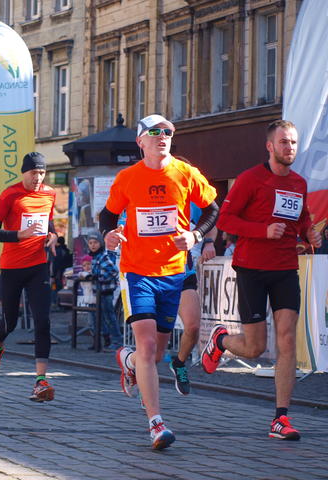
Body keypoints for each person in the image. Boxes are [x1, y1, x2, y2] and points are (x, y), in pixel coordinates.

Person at [99, 114, 218, 450]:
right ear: (141, 141)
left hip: (174, 273)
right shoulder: (128, 178)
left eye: (168, 131)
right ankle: (156, 423)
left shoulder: (185, 172)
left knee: (155, 353)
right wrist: (108, 234)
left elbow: (213, 209)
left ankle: (128, 360)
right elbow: (108, 214)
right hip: (137, 272)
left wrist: (195, 235)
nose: (162, 136)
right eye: (155, 132)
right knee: (149, 346)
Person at [202, 119, 322, 441]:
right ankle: (221, 340)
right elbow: (226, 220)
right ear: (270, 146)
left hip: (285, 268)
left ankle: (280, 418)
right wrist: (262, 231)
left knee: (287, 339)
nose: (290, 147)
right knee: (254, 348)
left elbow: (301, 219)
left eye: (293, 142)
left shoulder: (298, 183)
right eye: (284, 142)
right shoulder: (250, 179)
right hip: (252, 269)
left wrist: (309, 233)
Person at [0, 152, 58, 402]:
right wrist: (19, 235)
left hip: (38, 266)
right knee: (10, 322)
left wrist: (54, 236)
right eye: (34, 173)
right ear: (24, 172)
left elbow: (49, 224)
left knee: (43, 321)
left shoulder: (50, 194)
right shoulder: (10, 195)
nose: (38, 177)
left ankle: (40, 381)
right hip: (12, 267)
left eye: (42, 173)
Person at [169, 205, 217, 395]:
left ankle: (179, 363)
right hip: (152, 276)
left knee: (193, 326)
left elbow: (212, 221)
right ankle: (138, 373)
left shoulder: (192, 200)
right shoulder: (148, 196)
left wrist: (209, 242)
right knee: (151, 343)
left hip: (183, 274)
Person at [87, 234, 123, 350]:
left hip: (105, 292)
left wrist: (99, 278)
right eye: (90, 243)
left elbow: (113, 271)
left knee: (109, 317)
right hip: (97, 292)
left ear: (101, 243)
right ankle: (104, 340)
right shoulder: (95, 257)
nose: (93, 245)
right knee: (98, 317)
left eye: (95, 242)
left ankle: (117, 341)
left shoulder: (103, 256)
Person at [51, 236, 72, 308]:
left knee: (55, 288)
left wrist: (53, 275)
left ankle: (57, 303)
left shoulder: (57, 251)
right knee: (62, 287)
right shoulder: (66, 250)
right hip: (65, 272)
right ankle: (61, 303)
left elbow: (55, 264)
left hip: (58, 273)